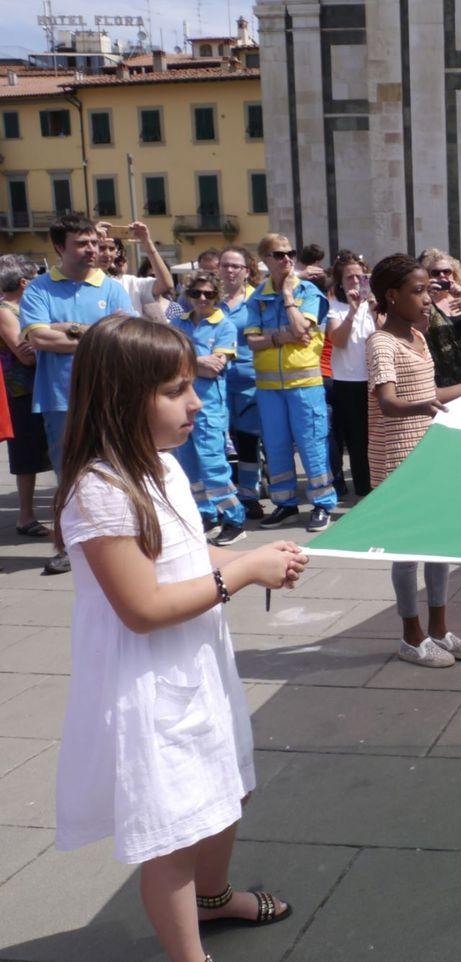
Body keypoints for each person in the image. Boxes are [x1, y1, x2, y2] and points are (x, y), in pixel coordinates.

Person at [53, 314, 305, 962]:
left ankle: (214, 898)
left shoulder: (162, 468)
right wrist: (246, 573)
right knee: (171, 835)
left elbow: (188, 568)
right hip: (148, 683)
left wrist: (250, 558)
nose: (195, 403)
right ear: (119, 397)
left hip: (195, 667)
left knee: (227, 787)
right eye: (174, 390)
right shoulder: (100, 491)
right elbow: (140, 607)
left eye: (191, 385)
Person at [367, 254, 461, 668]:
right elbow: (387, 403)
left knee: (438, 545)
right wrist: (421, 406)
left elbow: (434, 393)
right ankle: (411, 636)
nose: (427, 299)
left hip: (429, 455)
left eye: (427, 290)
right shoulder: (380, 342)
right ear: (391, 296)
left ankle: (439, 630)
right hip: (398, 461)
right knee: (407, 552)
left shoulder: (419, 339)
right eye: (417, 291)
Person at [21, 212, 134, 576]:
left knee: (115, 470)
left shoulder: (112, 287)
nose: (91, 250)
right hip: (60, 399)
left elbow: (122, 336)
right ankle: (70, 546)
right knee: (69, 476)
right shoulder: (40, 288)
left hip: (108, 396)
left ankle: (120, 540)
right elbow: (39, 338)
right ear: (59, 247)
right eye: (81, 244)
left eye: (94, 243)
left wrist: (67, 331)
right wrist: (93, 332)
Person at [243, 233, 338, 533]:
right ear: (265, 260)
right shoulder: (256, 296)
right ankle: (285, 504)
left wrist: (286, 297)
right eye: (279, 254)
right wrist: (279, 337)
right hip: (270, 388)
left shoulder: (307, 291)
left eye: (290, 253)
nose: (287, 259)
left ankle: (323, 503)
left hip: (305, 384)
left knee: (312, 443)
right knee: (276, 446)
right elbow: (252, 342)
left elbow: (301, 328)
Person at [170, 270, 247, 545]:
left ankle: (234, 518)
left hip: (209, 407)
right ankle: (206, 514)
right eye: (196, 293)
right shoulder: (177, 322)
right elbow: (165, 358)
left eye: (209, 294)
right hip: (179, 404)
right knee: (188, 464)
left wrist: (184, 360)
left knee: (213, 464)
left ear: (217, 296)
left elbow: (216, 367)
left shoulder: (223, 324)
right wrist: (198, 362)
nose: (202, 298)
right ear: (188, 296)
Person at [0, 255, 50, 538]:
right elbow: (25, 355)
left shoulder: (25, 308)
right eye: (34, 276)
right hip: (20, 391)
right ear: (23, 282)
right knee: (25, 456)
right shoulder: (6, 310)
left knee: (39, 452)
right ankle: (25, 516)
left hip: (34, 387)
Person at [217, 246, 263, 520]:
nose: (230, 270)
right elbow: (179, 321)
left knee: (247, 442)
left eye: (236, 266)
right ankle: (223, 497)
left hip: (249, 382)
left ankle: (249, 496)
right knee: (219, 443)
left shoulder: (257, 300)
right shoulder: (207, 298)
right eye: (225, 265)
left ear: (247, 271)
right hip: (215, 383)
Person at [326, 253, 376, 501]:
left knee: (377, 436)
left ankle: (380, 485)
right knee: (357, 441)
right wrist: (352, 312)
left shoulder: (375, 305)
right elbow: (338, 340)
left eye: (359, 276)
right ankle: (363, 490)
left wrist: (375, 309)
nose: (355, 281)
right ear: (340, 281)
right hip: (348, 382)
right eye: (349, 277)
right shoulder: (335, 307)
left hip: (375, 378)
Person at [420, 249, 461, 385]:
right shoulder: (423, 302)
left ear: (454, 274)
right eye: (436, 273)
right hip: (442, 376)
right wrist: (427, 298)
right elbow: (419, 332)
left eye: (447, 272)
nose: (442, 276)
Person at [96, 221, 175, 317]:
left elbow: (166, 285)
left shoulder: (131, 283)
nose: (107, 253)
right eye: (101, 248)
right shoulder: (80, 281)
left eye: (111, 249)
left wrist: (148, 244)